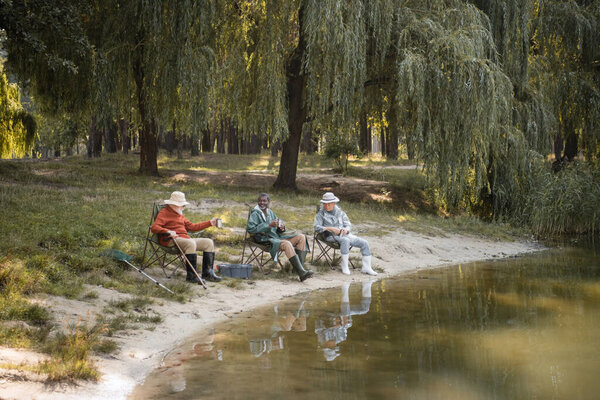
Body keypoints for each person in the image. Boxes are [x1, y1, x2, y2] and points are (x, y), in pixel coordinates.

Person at [151, 191, 221, 284]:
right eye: (182, 205)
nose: (183, 207)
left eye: (183, 205)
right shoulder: (164, 212)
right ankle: (191, 276)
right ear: (173, 204)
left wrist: (210, 223)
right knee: (190, 243)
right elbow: (154, 227)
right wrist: (167, 231)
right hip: (171, 240)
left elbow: (192, 227)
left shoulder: (179, 214)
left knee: (208, 242)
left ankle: (208, 273)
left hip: (184, 239)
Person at [246, 193, 313, 282]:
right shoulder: (255, 213)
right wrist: (268, 225)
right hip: (264, 240)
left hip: (276, 237)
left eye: (264, 201)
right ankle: (301, 272)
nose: (262, 203)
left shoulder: (270, 212)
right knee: (287, 243)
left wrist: (281, 228)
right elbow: (250, 229)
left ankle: (297, 270)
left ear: (268, 202)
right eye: (260, 201)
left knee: (301, 237)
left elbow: (279, 228)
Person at [314, 192, 377, 276]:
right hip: (329, 236)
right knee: (345, 240)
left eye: (329, 204)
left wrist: (346, 230)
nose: (327, 206)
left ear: (334, 203)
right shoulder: (320, 214)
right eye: (325, 204)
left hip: (344, 235)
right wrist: (330, 228)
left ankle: (366, 268)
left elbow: (348, 224)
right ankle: (345, 265)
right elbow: (316, 227)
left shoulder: (341, 213)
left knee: (364, 243)